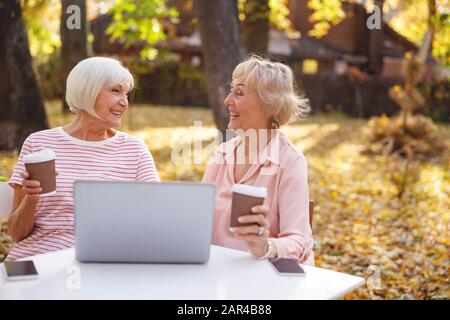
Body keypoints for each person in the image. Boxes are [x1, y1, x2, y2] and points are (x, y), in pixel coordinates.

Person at [7, 57, 160, 260]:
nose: (124, 103)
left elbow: (157, 219)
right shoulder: (39, 144)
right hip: (36, 258)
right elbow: (17, 234)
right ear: (88, 91)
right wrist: (32, 197)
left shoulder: (134, 150)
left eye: (126, 94)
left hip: (105, 261)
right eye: (116, 91)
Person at [202, 55, 314, 264]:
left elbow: (300, 240)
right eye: (231, 90)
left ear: (268, 104)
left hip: (265, 280)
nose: (227, 100)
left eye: (239, 93)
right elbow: (198, 219)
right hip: (217, 275)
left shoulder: (289, 162)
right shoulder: (222, 154)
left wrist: (265, 246)